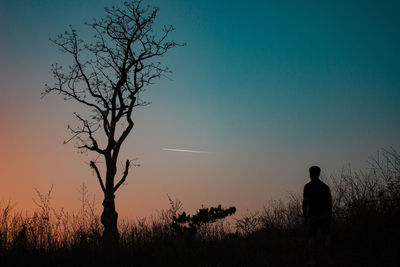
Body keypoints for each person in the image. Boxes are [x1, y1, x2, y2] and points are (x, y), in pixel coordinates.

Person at [303, 166, 332, 266]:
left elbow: (305, 203)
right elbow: (329, 203)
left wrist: (304, 216)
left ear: (310, 174)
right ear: (319, 174)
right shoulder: (325, 187)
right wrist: (329, 215)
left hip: (312, 216)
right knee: (326, 236)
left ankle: (312, 260)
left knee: (311, 238)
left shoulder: (308, 187)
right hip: (324, 215)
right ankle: (328, 259)